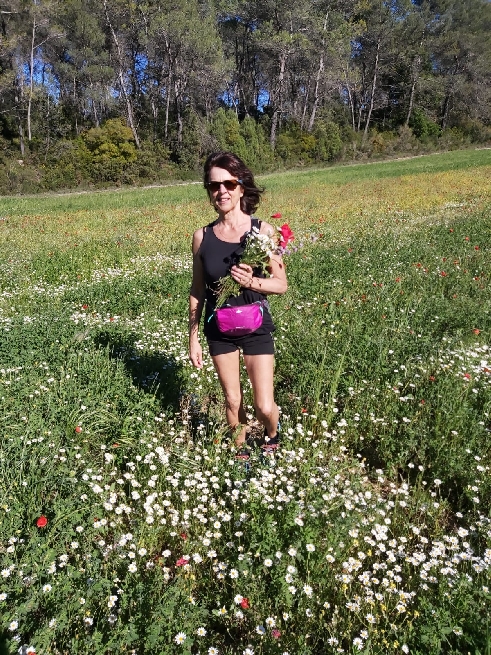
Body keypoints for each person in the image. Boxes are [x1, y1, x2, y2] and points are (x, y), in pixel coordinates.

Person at [189, 151, 287, 457]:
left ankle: (272, 434)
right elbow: (197, 290)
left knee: (264, 405)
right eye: (214, 185)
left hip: (255, 325)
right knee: (232, 400)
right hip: (219, 329)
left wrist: (251, 282)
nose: (222, 191)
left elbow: (280, 284)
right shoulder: (202, 237)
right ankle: (240, 453)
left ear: (241, 187)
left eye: (229, 184)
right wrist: (193, 337)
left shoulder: (263, 232)